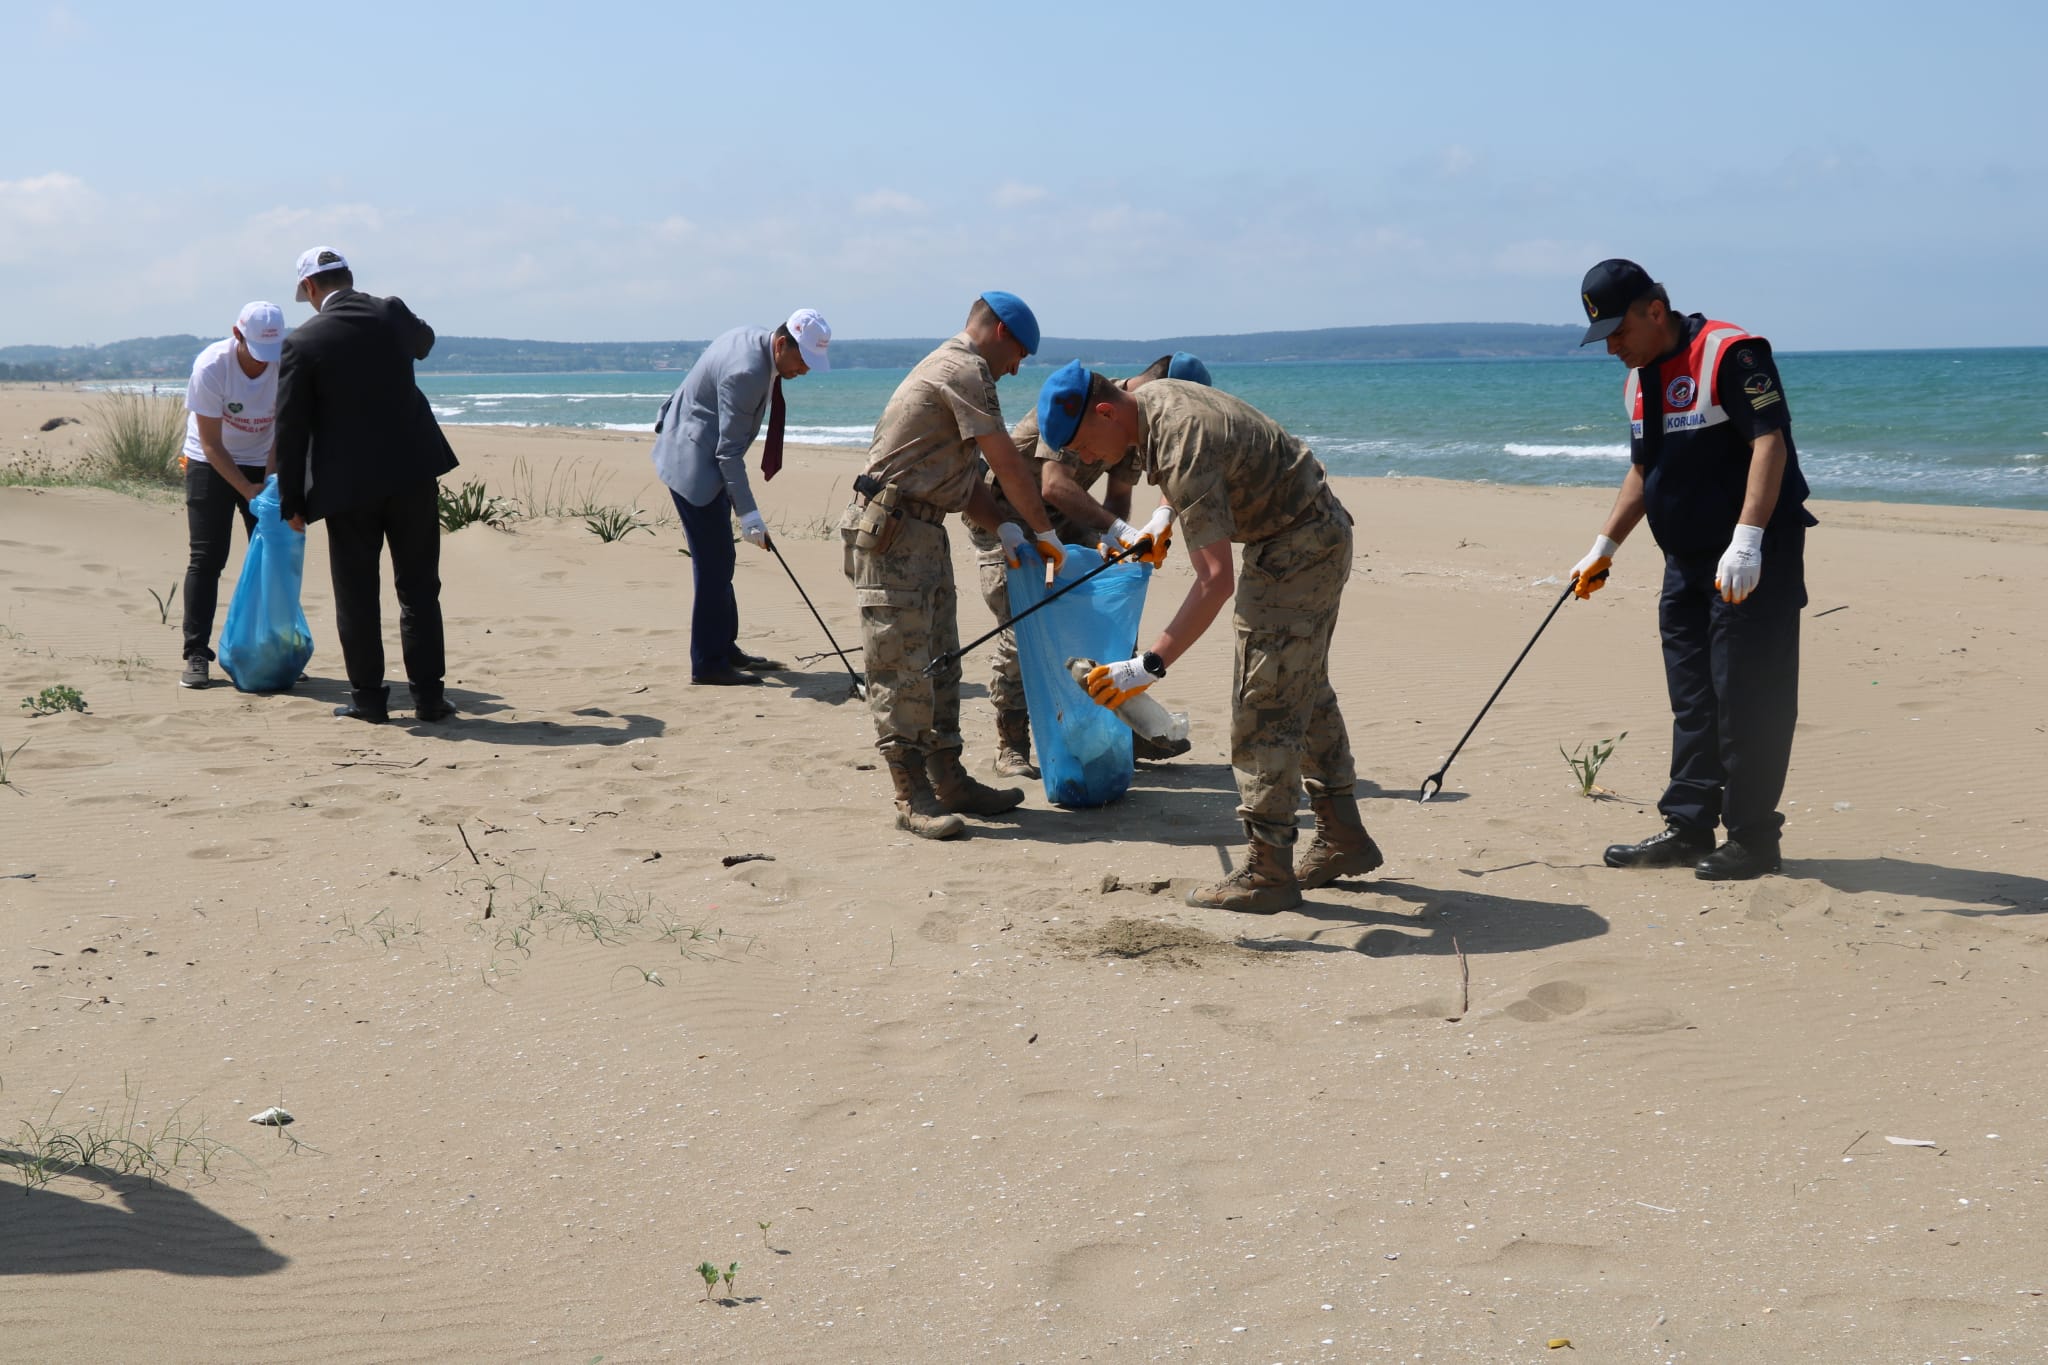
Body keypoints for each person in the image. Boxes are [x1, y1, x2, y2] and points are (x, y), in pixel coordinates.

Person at [1038, 361, 1383, 913]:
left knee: (1263, 698)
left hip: (1298, 546)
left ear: (1105, 411)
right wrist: (1161, 518)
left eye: (1084, 446)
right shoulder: (1153, 404)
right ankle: (1344, 837)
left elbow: (1215, 580)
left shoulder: (1179, 437)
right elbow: (1202, 476)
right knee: (1302, 687)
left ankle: (1269, 872)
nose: (1087, 461)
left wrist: (1145, 666)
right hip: (1305, 533)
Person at [1568, 258, 1816, 881]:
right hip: (1683, 562)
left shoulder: (1732, 353)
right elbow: (1644, 472)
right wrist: (1605, 546)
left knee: (1747, 696)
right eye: (1603, 339)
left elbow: (1770, 442)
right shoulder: (1639, 379)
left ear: (1656, 310)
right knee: (1694, 699)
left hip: (1752, 557)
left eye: (1618, 332)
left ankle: (1755, 837)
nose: (1613, 349)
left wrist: (1749, 540)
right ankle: (1687, 826)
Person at [839, 292, 1066, 839]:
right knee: (900, 666)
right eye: (1019, 356)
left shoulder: (959, 373)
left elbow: (962, 484)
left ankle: (949, 778)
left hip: (925, 531)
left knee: (940, 661)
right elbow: (1005, 461)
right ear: (1001, 334)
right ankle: (911, 795)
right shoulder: (961, 368)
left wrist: (1003, 526)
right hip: (894, 534)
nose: (1016, 370)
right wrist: (1042, 529)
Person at [966, 352, 1211, 775]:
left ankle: (1127, 727)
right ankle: (1011, 743)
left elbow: (1116, 500)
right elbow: (1055, 485)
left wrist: (1123, 540)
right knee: (1026, 622)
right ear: (1157, 389)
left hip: (1071, 519)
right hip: (1006, 519)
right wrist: (1118, 530)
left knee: (1112, 612)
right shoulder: (1077, 399)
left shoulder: (1141, 423)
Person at [275, 246, 460, 724]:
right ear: (349, 277)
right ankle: (429, 697)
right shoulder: (390, 312)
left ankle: (370, 701)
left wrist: (292, 500)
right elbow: (425, 342)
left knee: (357, 594)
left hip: (347, 484)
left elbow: (290, 429)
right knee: (419, 588)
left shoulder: (303, 342)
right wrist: (394, 311)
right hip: (412, 472)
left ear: (311, 289)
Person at [651, 309, 832, 686]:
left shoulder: (758, 341)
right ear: (782, 343)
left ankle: (724, 646)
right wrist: (749, 515)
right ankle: (708, 663)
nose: (805, 370)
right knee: (713, 563)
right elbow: (727, 454)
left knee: (722, 556)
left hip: (702, 450)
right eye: (803, 360)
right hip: (692, 462)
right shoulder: (747, 371)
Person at [177, 301, 286, 689]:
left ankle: (270, 649)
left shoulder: (284, 363)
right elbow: (210, 443)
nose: (263, 363)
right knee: (207, 557)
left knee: (273, 554)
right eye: (257, 353)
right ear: (237, 334)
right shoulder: (212, 366)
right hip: (211, 461)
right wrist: (247, 489)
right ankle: (195, 653)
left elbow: (282, 432)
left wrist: (269, 485)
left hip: (264, 459)